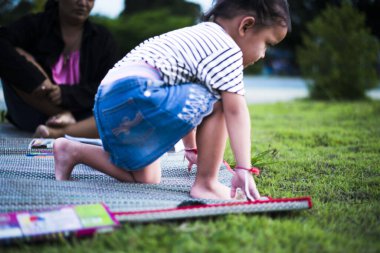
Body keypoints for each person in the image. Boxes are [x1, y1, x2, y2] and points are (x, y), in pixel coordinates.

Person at [53, 0, 291, 200]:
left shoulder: (197, 36)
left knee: (146, 178)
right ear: (246, 26)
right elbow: (235, 111)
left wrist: (191, 147)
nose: (263, 55)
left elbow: (185, 94)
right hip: (137, 91)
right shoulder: (227, 48)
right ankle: (206, 183)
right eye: (267, 44)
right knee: (219, 101)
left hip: (109, 99)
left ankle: (72, 151)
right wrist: (243, 169)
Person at [0, 0, 118, 138]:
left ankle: (56, 133)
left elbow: (109, 86)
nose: (83, 3)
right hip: (33, 113)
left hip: (84, 116)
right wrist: (38, 80)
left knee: (121, 110)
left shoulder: (103, 39)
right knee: (16, 54)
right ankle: (60, 114)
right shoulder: (35, 25)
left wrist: (65, 94)